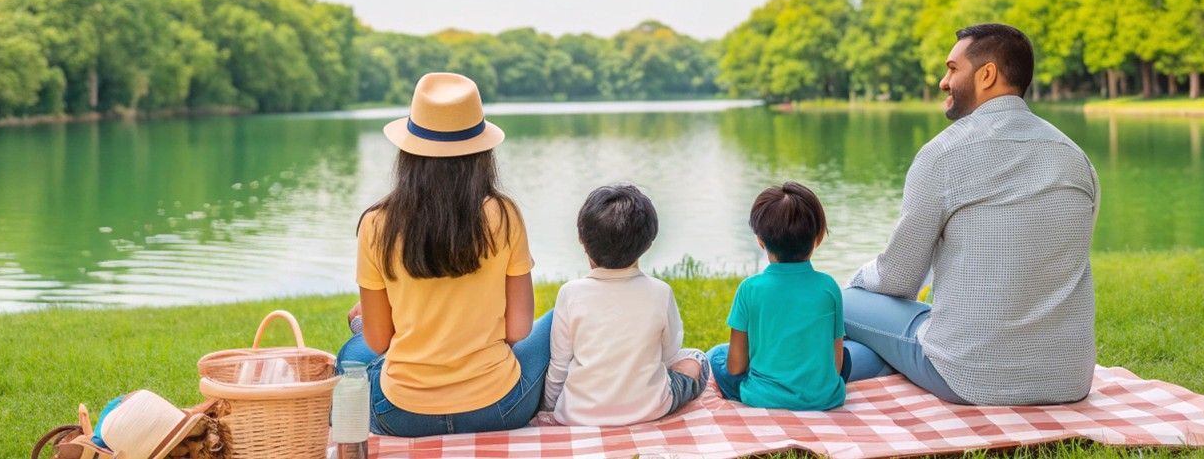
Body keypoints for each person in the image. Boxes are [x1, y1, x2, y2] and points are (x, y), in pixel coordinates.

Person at [842, 23, 1101, 406]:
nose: (943, 81)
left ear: (987, 75)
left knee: (838, 300)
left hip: (972, 378)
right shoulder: (1076, 158)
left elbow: (897, 281)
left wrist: (859, 277)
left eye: (951, 68)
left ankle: (794, 364)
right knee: (902, 329)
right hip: (1068, 379)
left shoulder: (943, 155)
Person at [337, 72, 552, 436]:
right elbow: (519, 329)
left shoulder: (376, 224)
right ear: (482, 152)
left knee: (353, 355)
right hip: (498, 409)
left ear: (409, 150)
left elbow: (378, 342)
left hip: (401, 415)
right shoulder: (505, 214)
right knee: (556, 318)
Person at [541, 184, 708, 426]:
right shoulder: (660, 292)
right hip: (650, 408)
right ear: (648, 243)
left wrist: (550, 407)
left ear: (581, 240)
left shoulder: (570, 293)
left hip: (579, 414)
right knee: (697, 358)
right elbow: (669, 354)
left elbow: (559, 365)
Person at [708, 182, 846, 411]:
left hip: (762, 397)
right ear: (818, 238)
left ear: (760, 240)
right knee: (845, 355)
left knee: (716, 355)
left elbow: (735, 367)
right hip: (824, 398)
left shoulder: (749, 289)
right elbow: (837, 364)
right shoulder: (829, 287)